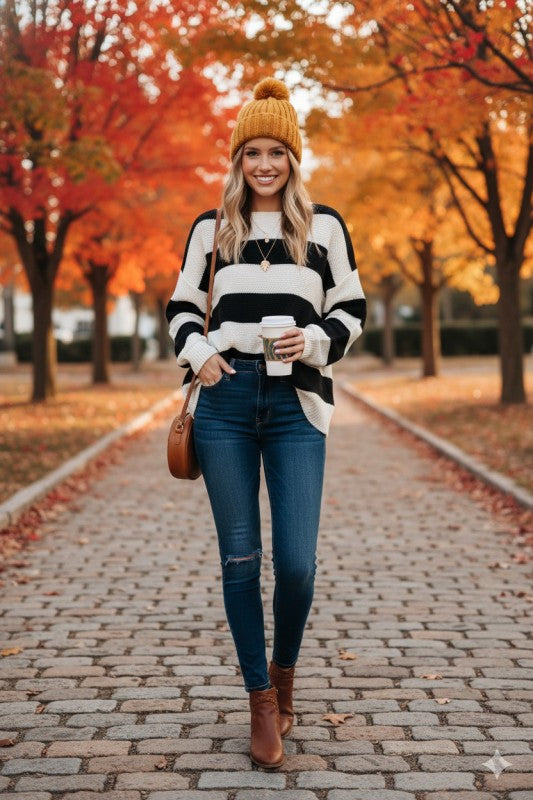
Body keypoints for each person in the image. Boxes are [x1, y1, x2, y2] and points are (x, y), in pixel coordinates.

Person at [166, 77, 366, 769]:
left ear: (292, 157)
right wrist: (201, 355)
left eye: (275, 150)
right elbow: (180, 308)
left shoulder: (324, 228)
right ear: (236, 159)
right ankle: (259, 700)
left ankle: (285, 671)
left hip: (296, 403)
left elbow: (351, 311)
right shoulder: (210, 230)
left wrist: (310, 342)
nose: (264, 164)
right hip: (224, 402)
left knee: (298, 566)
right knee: (240, 560)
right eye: (251, 151)